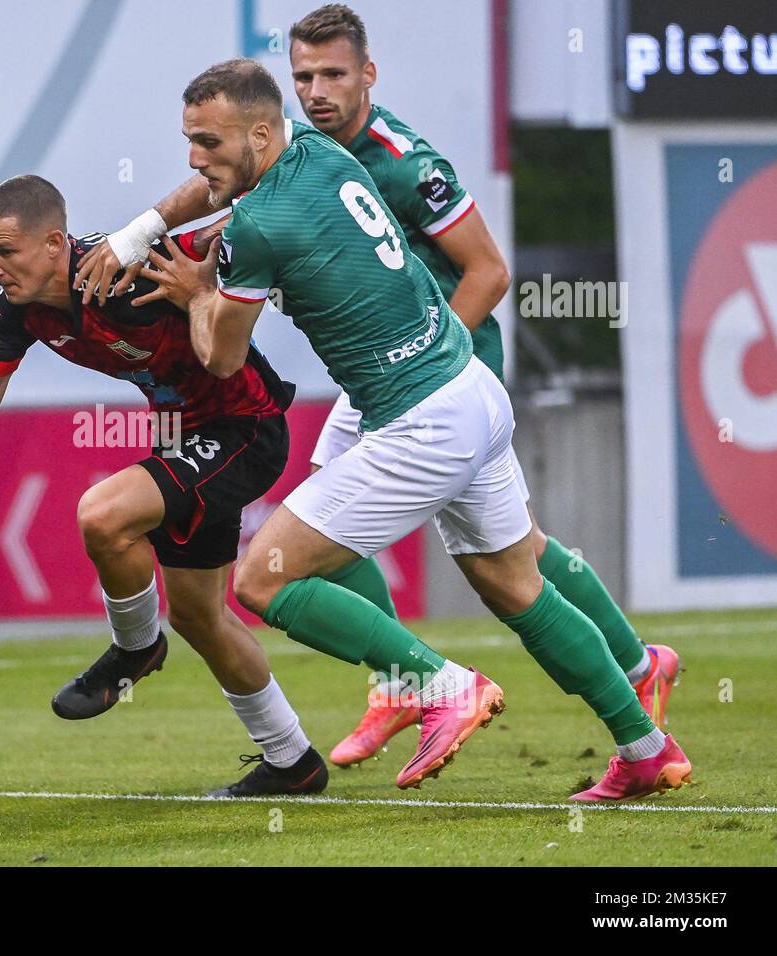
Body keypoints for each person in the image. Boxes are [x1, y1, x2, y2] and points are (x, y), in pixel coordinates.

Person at [115, 59, 690, 800]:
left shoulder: (255, 227)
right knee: (516, 583)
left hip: (421, 418)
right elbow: (228, 191)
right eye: (188, 142)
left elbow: (221, 359)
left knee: (265, 577)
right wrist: (155, 227)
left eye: (209, 144)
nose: (196, 160)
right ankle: (644, 746)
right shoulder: (323, 151)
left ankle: (438, 685)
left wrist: (197, 291)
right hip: (469, 385)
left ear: (261, 133)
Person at [0, 174, 329, 798]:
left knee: (103, 513)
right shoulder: (20, 311)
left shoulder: (124, 269)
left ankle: (135, 650)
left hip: (247, 428)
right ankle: (292, 762)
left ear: (55, 243)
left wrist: (216, 267)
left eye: (6, 252)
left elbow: (229, 223)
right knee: (198, 615)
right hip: (184, 436)